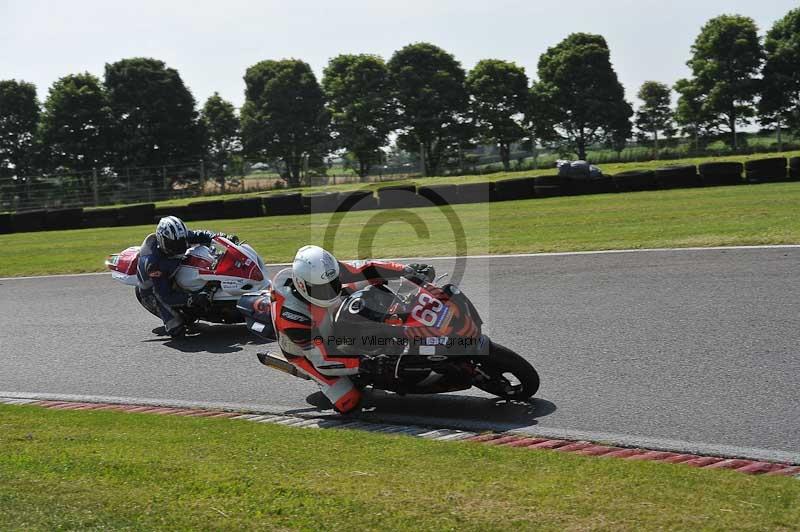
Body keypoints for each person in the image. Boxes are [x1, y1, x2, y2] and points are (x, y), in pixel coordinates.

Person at [271, 245, 434, 413]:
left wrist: (406, 271)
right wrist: (367, 363)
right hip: (308, 352)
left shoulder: (326, 271)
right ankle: (349, 374)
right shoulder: (293, 317)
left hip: (323, 309)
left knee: (373, 280)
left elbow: (366, 268)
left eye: (332, 284)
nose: (328, 291)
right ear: (302, 285)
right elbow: (324, 360)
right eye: (321, 288)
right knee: (349, 402)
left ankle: (397, 317)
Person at [137, 216, 238, 338]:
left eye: (181, 242)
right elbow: (165, 295)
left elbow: (202, 235)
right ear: (162, 240)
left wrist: (222, 238)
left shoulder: (178, 237)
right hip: (153, 290)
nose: (179, 247)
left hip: (172, 271)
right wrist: (192, 298)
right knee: (177, 329)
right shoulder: (153, 263)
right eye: (174, 244)